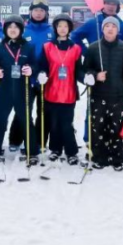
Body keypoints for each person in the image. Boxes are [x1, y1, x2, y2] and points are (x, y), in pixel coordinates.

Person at [81, 17, 123, 171]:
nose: (110, 29)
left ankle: (117, 157)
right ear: (102, 29)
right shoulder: (93, 48)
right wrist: (95, 75)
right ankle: (99, 156)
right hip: (98, 95)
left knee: (116, 127)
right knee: (98, 127)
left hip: (118, 96)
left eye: (113, 26)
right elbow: (85, 70)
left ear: (118, 30)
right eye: (107, 26)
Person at [35, 14, 84, 166]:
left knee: (66, 124)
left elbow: (79, 71)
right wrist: (41, 74)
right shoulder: (47, 47)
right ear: (55, 28)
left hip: (68, 92)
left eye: (65, 26)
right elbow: (42, 66)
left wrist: (86, 78)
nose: (62, 29)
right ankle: (55, 149)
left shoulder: (76, 48)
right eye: (59, 26)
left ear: (69, 28)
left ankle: (71, 151)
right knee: (54, 123)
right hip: (52, 91)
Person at [0, 17, 36, 165]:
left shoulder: (28, 47)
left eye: (16, 27)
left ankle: (32, 151)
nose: (13, 30)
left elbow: (35, 64)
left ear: (21, 30)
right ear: (5, 30)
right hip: (4, 90)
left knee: (26, 121)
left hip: (22, 90)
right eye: (10, 27)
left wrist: (31, 69)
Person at [9, 0, 54, 154]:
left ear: (46, 13)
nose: (38, 13)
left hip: (46, 78)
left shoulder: (52, 31)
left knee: (44, 111)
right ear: (30, 12)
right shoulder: (23, 30)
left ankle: (40, 141)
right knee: (23, 109)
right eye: (35, 10)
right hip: (26, 77)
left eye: (42, 10)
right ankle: (15, 139)